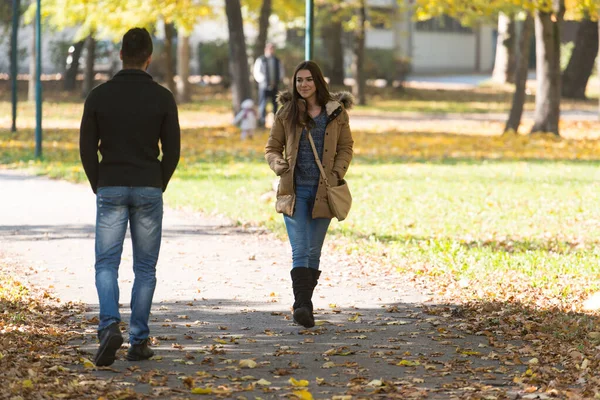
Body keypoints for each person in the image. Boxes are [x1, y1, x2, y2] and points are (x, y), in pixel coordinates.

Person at [79, 27, 181, 366]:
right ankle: (139, 340)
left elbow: (86, 148)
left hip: (111, 184)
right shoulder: (163, 97)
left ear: (121, 54)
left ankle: (109, 325)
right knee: (145, 268)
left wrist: (100, 182)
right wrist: (158, 181)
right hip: (149, 185)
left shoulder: (99, 95)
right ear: (149, 58)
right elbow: (173, 150)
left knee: (106, 263)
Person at [265, 60, 354, 328]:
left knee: (314, 251)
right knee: (300, 249)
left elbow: (346, 147)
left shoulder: (336, 113)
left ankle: (304, 305)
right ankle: (302, 306)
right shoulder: (286, 113)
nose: (303, 85)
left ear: (318, 82)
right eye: (299, 80)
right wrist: (279, 166)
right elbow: (272, 148)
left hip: (324, 192)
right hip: (294, 190)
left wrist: (337, 173)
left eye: (308, 80)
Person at [253, 43, 285, 127]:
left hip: (275, 85)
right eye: (270, 48)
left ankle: (275, 123)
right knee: (262, 104)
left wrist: (279, 80)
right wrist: (264, 80)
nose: (271, 50)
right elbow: (257, 72)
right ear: (266, 49)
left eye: (272, 48)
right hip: (264, 86)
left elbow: (281, 71)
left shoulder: (277, 60)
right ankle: (262, 122)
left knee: (275, 104)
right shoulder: (261, 60)